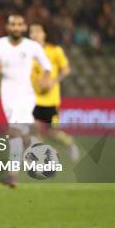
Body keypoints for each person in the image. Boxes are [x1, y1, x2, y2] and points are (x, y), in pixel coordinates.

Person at [0, 15, 52, 188]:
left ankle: (13, 174)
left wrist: (45, 79)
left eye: (19, 24)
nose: (16, 27)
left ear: (24, 27)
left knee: (13, 131)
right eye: (13, 24)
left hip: (26, 94)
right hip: (7, 95)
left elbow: (47, 66)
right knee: (20, 135)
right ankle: (43, 153)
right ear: (7, 26)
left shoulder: (32, 46)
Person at [29, 23, 79, 161]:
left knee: (52, 133)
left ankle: (69, 143)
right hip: (33, 99)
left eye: (38, 31)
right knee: (33, 130)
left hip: (51, 100)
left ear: (44, 34)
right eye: (32, 32)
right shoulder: (27, 53)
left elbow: (66, 69)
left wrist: (53, 81)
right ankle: (45, 157)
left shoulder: (55, 50)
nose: (35, 34)